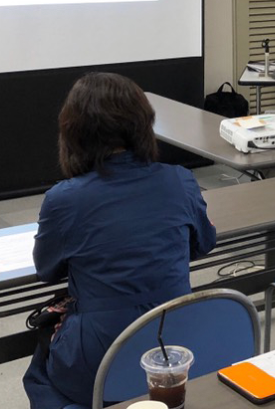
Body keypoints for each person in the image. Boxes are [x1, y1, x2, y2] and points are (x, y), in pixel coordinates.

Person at [23, 73, 217, 408]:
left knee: (40, 371)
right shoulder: (180, 180)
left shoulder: (63, 200)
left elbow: (47, 270)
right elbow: (204, 243)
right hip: (176, 347)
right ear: (143, 125)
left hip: (100, 360)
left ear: (73, 132)